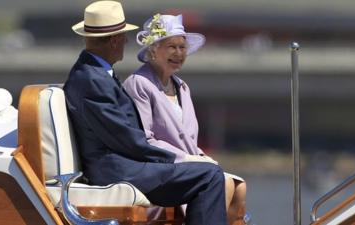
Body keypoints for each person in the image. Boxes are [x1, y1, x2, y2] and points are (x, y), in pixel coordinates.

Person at [63, 1, 228, 225]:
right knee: (209, 177)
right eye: (123, 36)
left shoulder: (94, 73)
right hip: (117, 170)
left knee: (208, 173)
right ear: (113, 40)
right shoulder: (92, 79)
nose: (126, 41)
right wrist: (175, 159)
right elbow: (125, 138)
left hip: (124, 163)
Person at [123, 13, 248, 225]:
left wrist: (200, 157)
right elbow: (144, 140)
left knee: (239, 186)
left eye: (182, 48)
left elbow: (189, 140)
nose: (179, 53)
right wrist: (190, 160)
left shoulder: (181, 86)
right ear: (154, 50)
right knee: (222, 183)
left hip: (191, 167)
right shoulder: (139, 84)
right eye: (172, 47)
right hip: (160, 168)